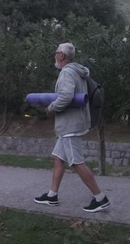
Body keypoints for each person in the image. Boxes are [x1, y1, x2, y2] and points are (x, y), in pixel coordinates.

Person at [34, 43, 110, 213]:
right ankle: (52, 196)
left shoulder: (67, 72)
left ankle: (100, 198)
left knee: (76, 162)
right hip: (74, 123)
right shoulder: (77, 71)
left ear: (61, 56)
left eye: (56, 53)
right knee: (58, 157)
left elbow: (67, 96)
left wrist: (51, 108)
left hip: (70, 125)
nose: (54, 56)